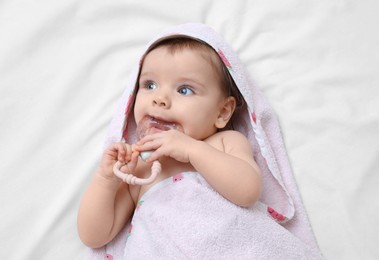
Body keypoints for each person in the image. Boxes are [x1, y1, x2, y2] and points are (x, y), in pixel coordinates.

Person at [77, 36, 262, 249]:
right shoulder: (139, 170)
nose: (160, 99)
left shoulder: (224, 142)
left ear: (222, 112)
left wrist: (192, 149)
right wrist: (106, 180)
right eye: (150, 85)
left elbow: (248, 192)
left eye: (184, 90)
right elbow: (94, 236)